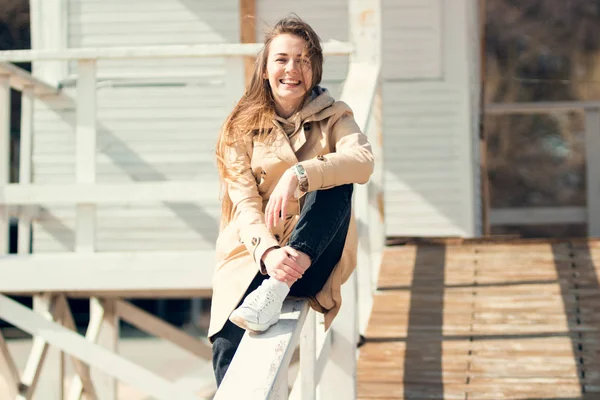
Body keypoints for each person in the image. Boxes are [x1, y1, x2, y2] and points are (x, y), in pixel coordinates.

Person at [210, 15, 374, 386]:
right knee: (227, 346)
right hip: (255, 252)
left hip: (312, 252)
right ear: (266, 69)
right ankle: (274, 281)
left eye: (303, 59)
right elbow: (244, 204)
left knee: (335, 178)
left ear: (314, 68)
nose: (292, 69)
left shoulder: (335, 116)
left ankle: (279, 284)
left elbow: (362, 162)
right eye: (282, 59)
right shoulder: (239, 127)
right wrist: (268, 253)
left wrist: (298, 175)